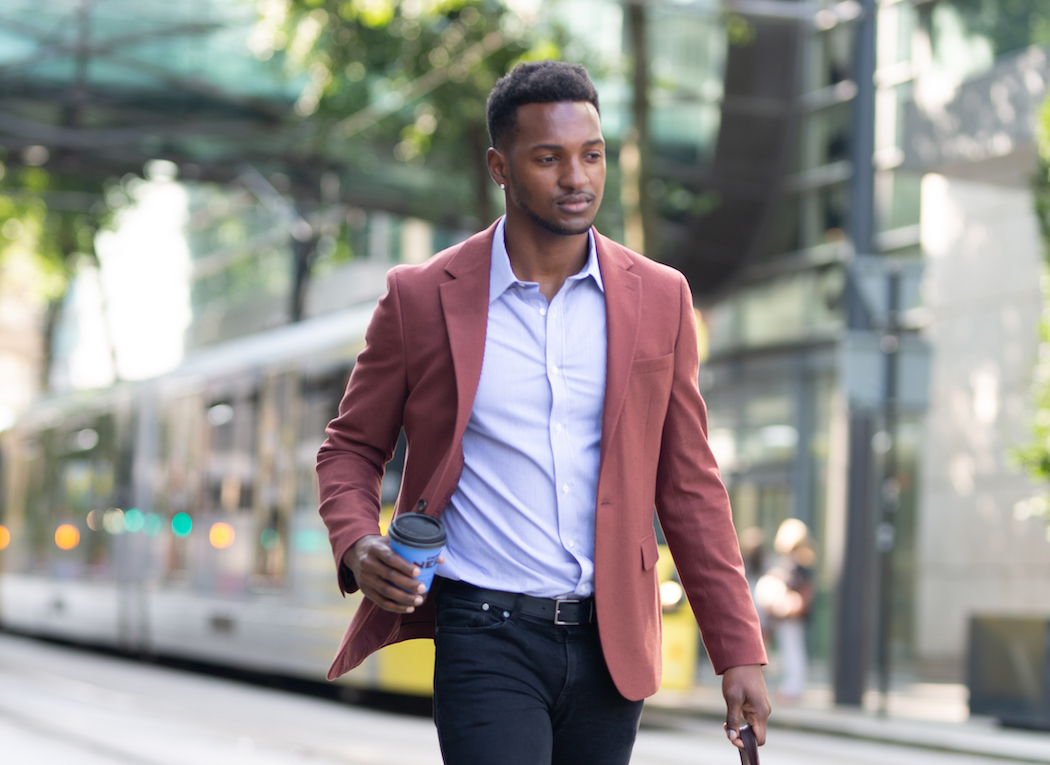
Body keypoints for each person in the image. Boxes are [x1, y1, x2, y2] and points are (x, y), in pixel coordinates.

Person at [317, 60, 769, 765]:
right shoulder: (420, 297)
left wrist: (738, 649)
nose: (576, 178)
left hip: (610, 639)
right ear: (500, 166)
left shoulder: (660, 297)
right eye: (548, 158)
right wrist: (356, 540)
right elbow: (349, 446)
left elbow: (690, 486)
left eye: (591, 156)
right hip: (484, 629)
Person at [755, 518, 816, 701]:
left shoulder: (801, 564)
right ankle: (789, 685)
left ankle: (793, 686)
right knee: (785, 648)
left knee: (792, 649)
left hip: (791, 615)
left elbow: (803, 590)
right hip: (781, 614)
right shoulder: (786, 562)